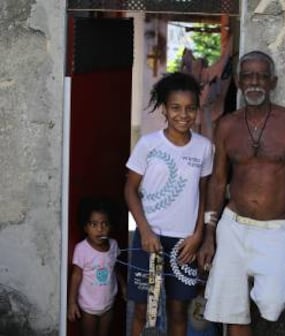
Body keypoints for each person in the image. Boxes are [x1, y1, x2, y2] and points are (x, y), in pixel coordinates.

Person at [198, 50, 285, 336]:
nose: (255, 83)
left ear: (272, 82)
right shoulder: (226, 126)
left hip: (275, 228)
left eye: (262, 77)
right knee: (231, 308)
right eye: (248, 76)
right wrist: (208, 236)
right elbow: (217, 182)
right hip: (233, 226)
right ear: (239, 82)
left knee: (272, 301)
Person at [124, 72, 214, 336]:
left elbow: (204, 194)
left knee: (178, 310)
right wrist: (145, 231)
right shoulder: (148, 145)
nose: (183, 115)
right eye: (175, 108)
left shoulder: (204, 148)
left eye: (190, 108)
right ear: (164, 109)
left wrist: (198, 235)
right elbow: (130, 190)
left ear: (197, 110)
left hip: (184, 244)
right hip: (148, 240)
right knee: (144, 310)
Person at [68, 196, 126, 336]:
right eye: (94, 224)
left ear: (110, 226)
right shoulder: (82, 249)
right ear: (86, 227)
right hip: (89, 308)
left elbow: (114, 268)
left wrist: (124, 286)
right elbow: (76, 276)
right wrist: (72, 303)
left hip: (108, 304)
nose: (100, 229)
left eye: (104, 224)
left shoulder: (113, 245)